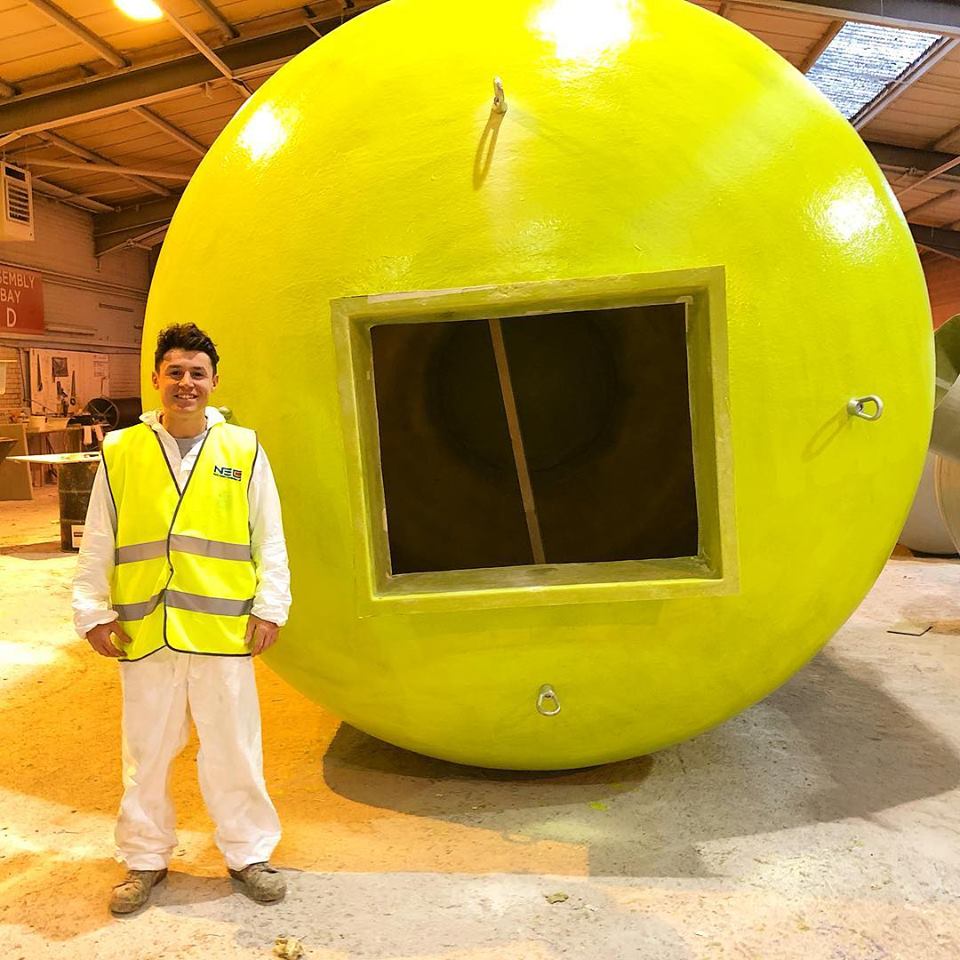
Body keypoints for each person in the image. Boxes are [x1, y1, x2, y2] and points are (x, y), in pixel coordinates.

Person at [72, 322, 292, 916]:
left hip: (222, 629)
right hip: (146, 630)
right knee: (147, 752)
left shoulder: (243, 448)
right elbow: (100, 538)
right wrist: (92, 610)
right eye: (175, 372)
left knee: (234, 749)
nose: (186, 383)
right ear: (155, 380)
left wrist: (271, 606)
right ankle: (144, 860)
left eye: (197, 373)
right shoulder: (121, 450)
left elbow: (267, 535)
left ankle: (249, 854)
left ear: (214, 382)